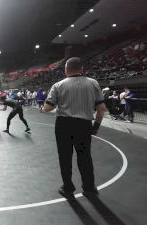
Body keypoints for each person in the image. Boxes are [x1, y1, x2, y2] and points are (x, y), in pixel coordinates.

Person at [43, 57, 106, 198]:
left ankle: (68, 187)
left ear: (66, 70)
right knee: (85, 157)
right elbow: (101, 108)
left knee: (64, 157)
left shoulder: (58, 85)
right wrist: (95, 127)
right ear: (81, 68)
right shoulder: (93, 83)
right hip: (83, 125)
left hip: (63, 125)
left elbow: (47, 108)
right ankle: (89, 188)